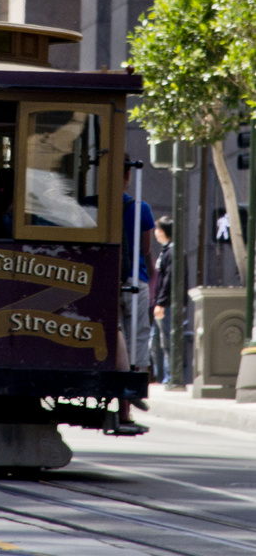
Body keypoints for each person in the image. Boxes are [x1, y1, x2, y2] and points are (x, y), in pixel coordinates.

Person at [117, 157, 155, 431]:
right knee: (136, 339)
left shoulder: (93, 205)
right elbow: (144, 249)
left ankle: (124, 405)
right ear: (128, 174)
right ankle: (128, 405)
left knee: (116, 340)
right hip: (134, 280)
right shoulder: (140, 208)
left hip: (103, 281)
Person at [151, 216, 174, 385]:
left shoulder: (172, 252)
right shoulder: (166, 251)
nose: (155, 233)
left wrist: (161, 303)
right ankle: (162, 376)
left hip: (166, 304)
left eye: (157, 229)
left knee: (167, 341)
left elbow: (168, 280)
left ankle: (170, 376)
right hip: (161, 303)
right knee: (156, 341)